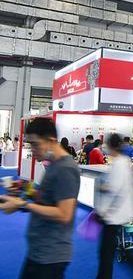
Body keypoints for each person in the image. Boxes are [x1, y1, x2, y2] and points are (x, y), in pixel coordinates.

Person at [0, 118, 80, 278]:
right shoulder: (53, 164)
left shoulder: (65, 169)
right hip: (39, 252)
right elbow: (46, 198)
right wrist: (25, 188)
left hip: (50, 257)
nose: (32, 149)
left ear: (51, 141)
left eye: (35, 144)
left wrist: (23, 204)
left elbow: (64, 214)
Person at [95, 133, 133, 279]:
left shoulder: (120, 163)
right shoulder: (124, 161)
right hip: (117, 213)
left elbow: (114, 189)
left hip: (114, 214)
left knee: (106, 251)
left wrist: (101, 187)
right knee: (112, 248)